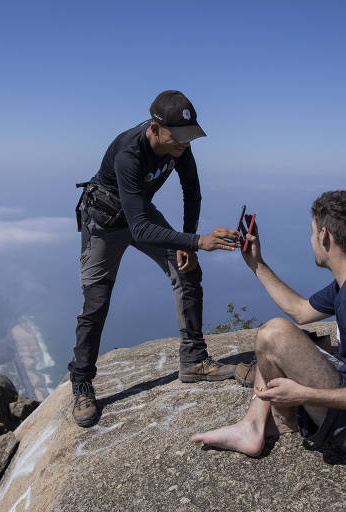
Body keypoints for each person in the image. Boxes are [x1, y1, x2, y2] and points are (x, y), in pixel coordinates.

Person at [191, 190, 346, 469]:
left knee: (273, 334)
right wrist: (257, 265)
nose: (311, 239)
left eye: (312, 232)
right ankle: (257, 424)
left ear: (325, 236)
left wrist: (305, 396)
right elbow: (301, 312)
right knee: (282, 336)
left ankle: (258, 425)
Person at [70, 90, 241, 427]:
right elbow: (141, 229)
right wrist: (197, 239)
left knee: (186, 269)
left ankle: (194, 360)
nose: (184, 143)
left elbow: (191, 191)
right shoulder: (128, 155)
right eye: (178, 136)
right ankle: (81, 382)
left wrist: (189, 245)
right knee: (97, 300)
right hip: (103, 221)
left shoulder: (180, 148)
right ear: (155, 128)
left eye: (189, 136)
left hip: (138, 213)